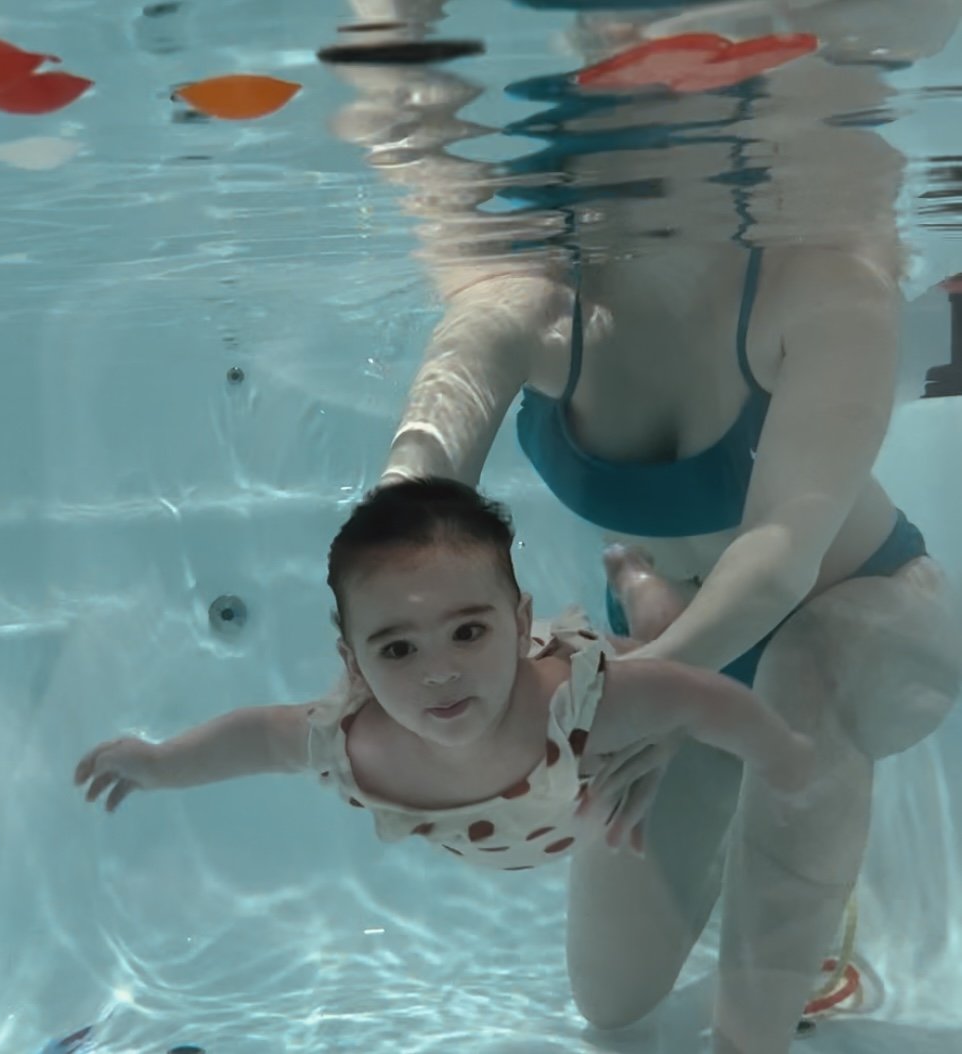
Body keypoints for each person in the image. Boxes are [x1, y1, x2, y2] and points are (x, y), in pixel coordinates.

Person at [321, 1, 962, 1050]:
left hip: (869, 622)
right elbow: (410, 499)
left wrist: (637, 692)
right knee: (609, 1000)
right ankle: (787, 862)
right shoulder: (524, 296)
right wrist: (380, 660)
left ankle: (772, 993)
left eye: (689, 103)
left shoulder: (824, 285)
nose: (654, 151)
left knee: (807, 665)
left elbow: (779, 558)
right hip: (669, 660)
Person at [75, 478, 813, 871]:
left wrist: (782, 759)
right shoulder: (354, 744)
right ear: (354, 664)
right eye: (398, 650)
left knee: (664, 644)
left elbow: (700, 697)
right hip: (545, 817)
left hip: (589, 676)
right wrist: (160, 764)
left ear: (518, 626)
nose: (440, 674)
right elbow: (260, 740)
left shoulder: (577, 706)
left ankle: (636, 573)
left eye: (467, 632)